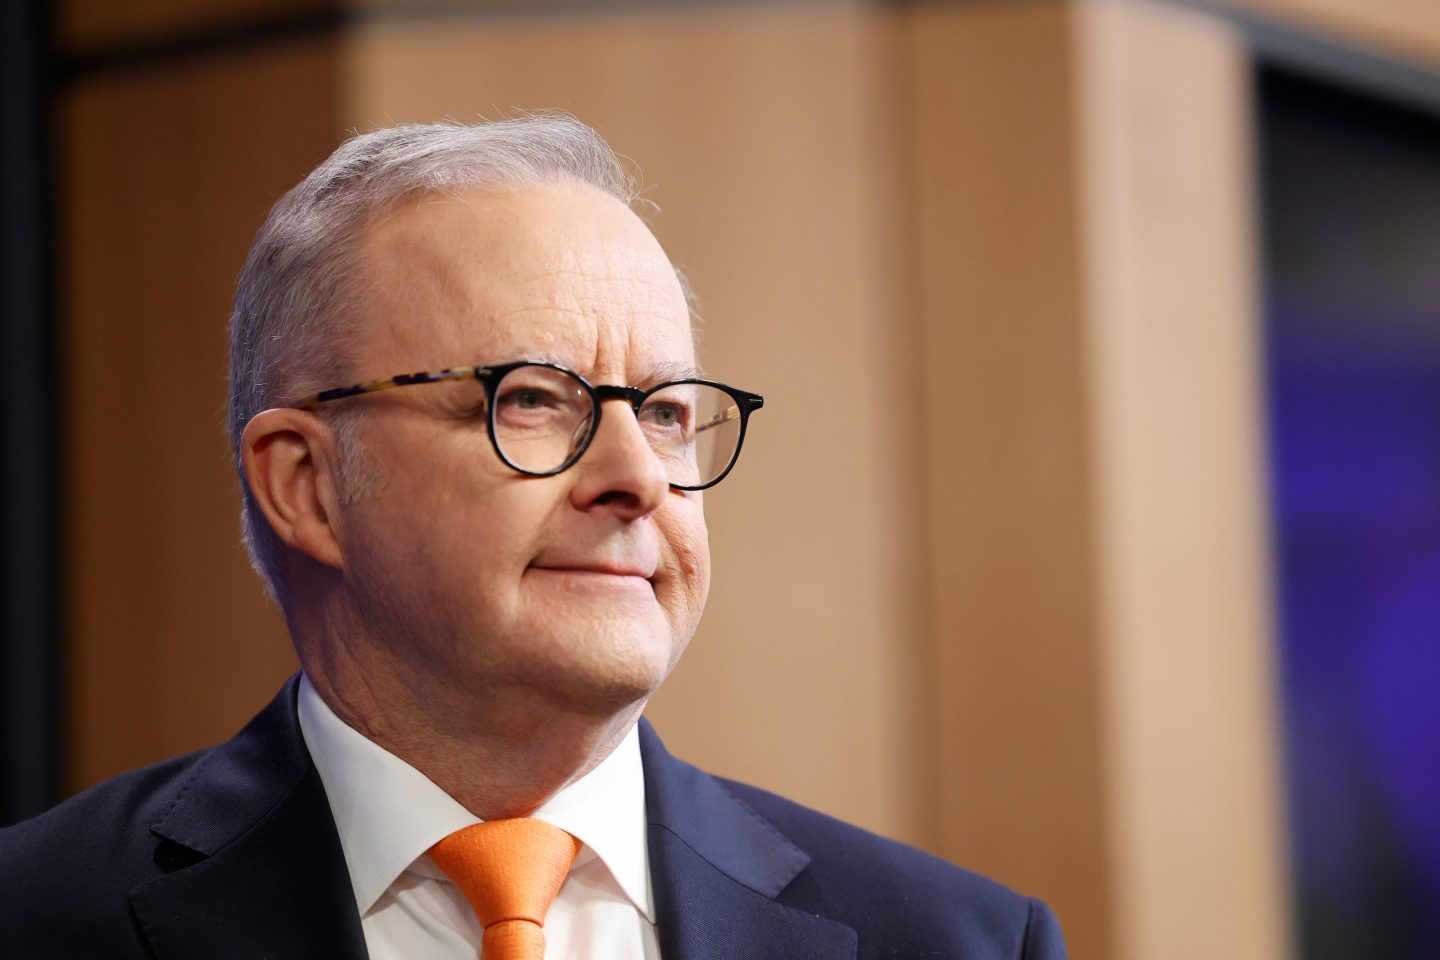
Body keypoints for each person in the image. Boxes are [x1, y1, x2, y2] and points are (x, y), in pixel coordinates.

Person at [0, 115, 1066, 959]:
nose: (637, 479)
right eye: (534, 400)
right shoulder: (36, 914)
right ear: (306, 485)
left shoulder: (957, 942)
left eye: (665, 412)